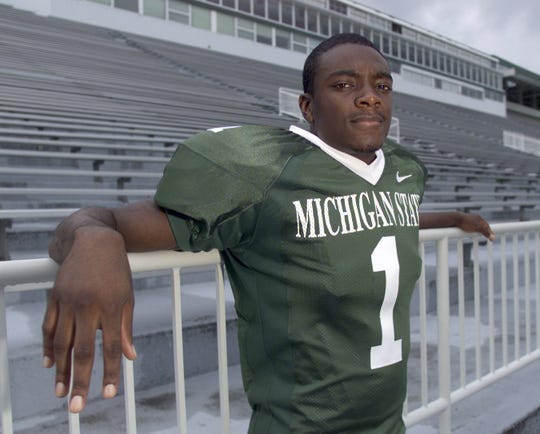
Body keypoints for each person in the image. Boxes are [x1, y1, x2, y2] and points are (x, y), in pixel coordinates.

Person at [43, 33, 494, 433]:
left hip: (388, 421)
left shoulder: (401, 171)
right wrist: (93, 238)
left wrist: (452, 216)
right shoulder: (267, 174)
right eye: (343, 85)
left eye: (381, 85)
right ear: (307, 105)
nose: (369, 97)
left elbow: (383, 218)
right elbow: (106, 220)